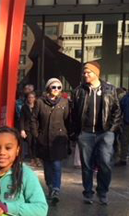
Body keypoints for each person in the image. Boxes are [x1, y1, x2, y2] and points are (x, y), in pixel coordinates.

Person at [72, 61, 122, 205]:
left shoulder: (110, 89)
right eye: (84, 72)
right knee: (86, 166)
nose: (85, 75)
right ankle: (88, 193)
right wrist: (75, 133)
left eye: (88, 72)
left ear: (96, 73)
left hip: (105, 133)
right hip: (86, 133)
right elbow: (74, 114)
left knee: (105, 163)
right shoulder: (79, 91)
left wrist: (112, 129)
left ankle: (102, 192)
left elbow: (116, 111)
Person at [31, 78, 70, 204]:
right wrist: (36, 134)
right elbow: (34, 119)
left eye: (59, 87)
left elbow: (67, 120)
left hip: (58, 139)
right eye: (54, 87)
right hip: (44, 139)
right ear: (48, 88)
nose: (56, 90)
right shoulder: (40, 102)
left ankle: (56, 189)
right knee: (47, 166)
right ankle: (50, 187)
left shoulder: (64, 102)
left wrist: (67, 134)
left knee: (57, 165)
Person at [19, 91, 39, 167]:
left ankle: (37, 158)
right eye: (29, 97)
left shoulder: (37, 106)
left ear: (35, 98)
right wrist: (22, 130)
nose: (31, 99)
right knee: (30, 144)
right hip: (27, 128)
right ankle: (32, 159)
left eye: (32, 97)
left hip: (36, 127)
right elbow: (22, 119)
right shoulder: (24, 107)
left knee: (36, 143)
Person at [117, 89, 129, 166]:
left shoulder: (125, 98)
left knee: (124, 141)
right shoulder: (125, 98)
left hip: (126, 122)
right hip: (126, 122)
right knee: (124, 141)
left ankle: (123, 159)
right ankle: (123, 159)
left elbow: (120, 109)